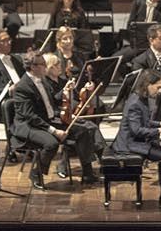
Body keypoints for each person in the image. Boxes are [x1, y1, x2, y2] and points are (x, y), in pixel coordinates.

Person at [11, 51, 99, 189]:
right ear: (33, 67)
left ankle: (87, 174)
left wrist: (66, 90)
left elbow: (53, 101)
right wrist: (54, 131)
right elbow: (30, 116)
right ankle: (36, 173)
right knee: (51, 143)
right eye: (42, 65)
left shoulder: (43, 80)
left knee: (83, 130)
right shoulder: (23, 87)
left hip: (47, 120)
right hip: (28, 126)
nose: (45, 67)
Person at [111, 70, 161, 206]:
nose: (159, 91)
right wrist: (159, 130)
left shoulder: (141, 98)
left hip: (136, 141)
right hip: (129, 144)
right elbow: (137, 131)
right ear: (148, 84)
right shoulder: (135, 103)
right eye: (158, 87)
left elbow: (145, 122)